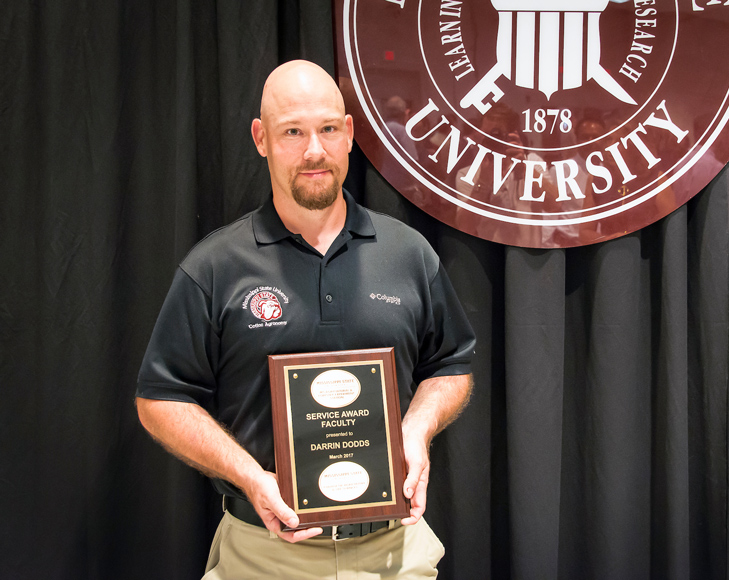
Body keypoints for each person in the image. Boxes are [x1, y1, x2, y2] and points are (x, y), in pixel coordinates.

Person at [136, 60, 476, 579]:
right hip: (261, 555)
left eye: (327, 129)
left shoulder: (409, 254)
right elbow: (160, 398)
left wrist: (418, 426)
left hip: (394, 554)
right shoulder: (215, 267)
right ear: (261, 138)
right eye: (292, 131)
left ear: (349, 134)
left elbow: (451, 365)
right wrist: (251, 478)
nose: (313, 150)